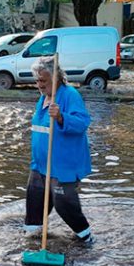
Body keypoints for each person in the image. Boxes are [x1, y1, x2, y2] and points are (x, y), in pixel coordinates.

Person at [24, 55, 95, 245]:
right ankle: (32, 240)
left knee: (65, 205)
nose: (39, 85)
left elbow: (82, 123)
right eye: (37, 81)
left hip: (62, 166)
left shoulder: (70, 95)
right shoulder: (43, 98)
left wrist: (62, 117)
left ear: (56, 79)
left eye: (43, 81)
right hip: (40, 165)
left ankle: (86, 238)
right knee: (34, 201)